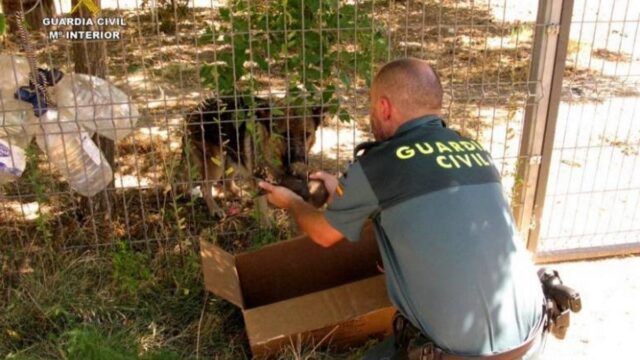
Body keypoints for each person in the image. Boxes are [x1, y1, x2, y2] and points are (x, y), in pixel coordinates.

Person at [258, 58, 546, 359]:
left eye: (371, 107)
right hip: (533, 338)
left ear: (384, 107)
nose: (371, 115)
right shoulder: (476, 151)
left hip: (461, 353)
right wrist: (343, 192)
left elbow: (322, 234)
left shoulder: (379, 164)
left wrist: (291, 202)